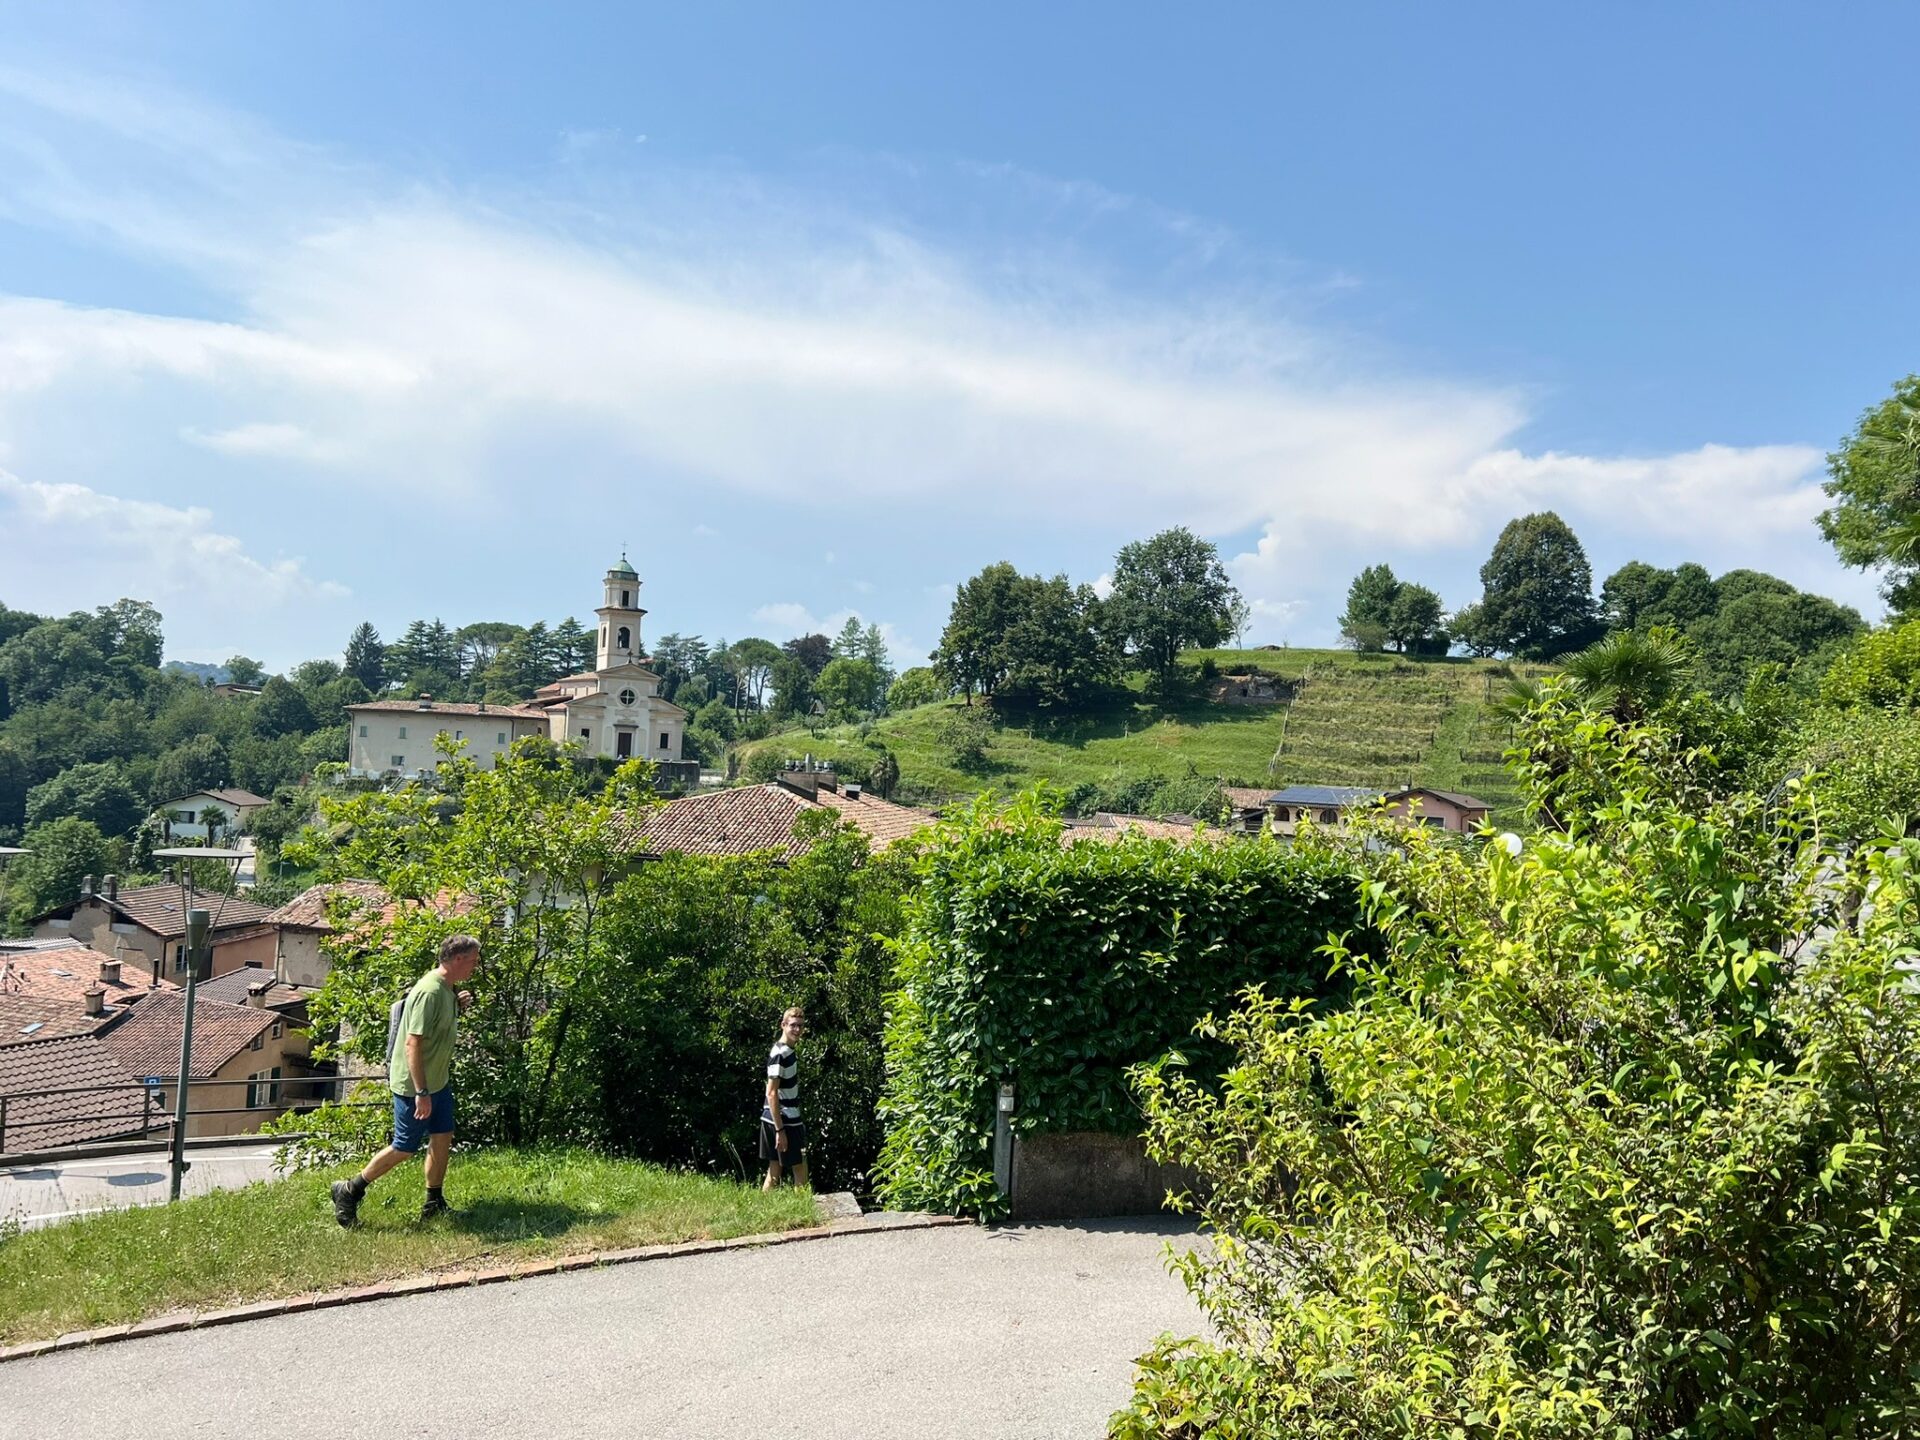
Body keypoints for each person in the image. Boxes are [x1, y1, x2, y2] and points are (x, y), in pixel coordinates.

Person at [331, 934, 479, 1226]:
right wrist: (421, 1092)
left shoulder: (447, 989)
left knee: (442, 1136)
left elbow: (436, 1026)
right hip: (415, 1086)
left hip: (438, 1081)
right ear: (458, 959)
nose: (475, 967)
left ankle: (433, 1202)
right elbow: (413, 1044)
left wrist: (457, 1005)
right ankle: (349, 1190)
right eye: (472, 961)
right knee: (404, 1146)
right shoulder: (429, 992)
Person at [760, 1006, 809, 1191]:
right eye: (793, 1025)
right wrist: (780, 1130)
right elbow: (771, 1092)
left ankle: (760, 1210)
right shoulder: (780, 1054)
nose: (797, 1030)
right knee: (800, 1166)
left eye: (801, 1026)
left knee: (775, 1168)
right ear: (783, 1025)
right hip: (784, 1119)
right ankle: (804, 1213)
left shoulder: (787, 1051)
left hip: (773, 1118)